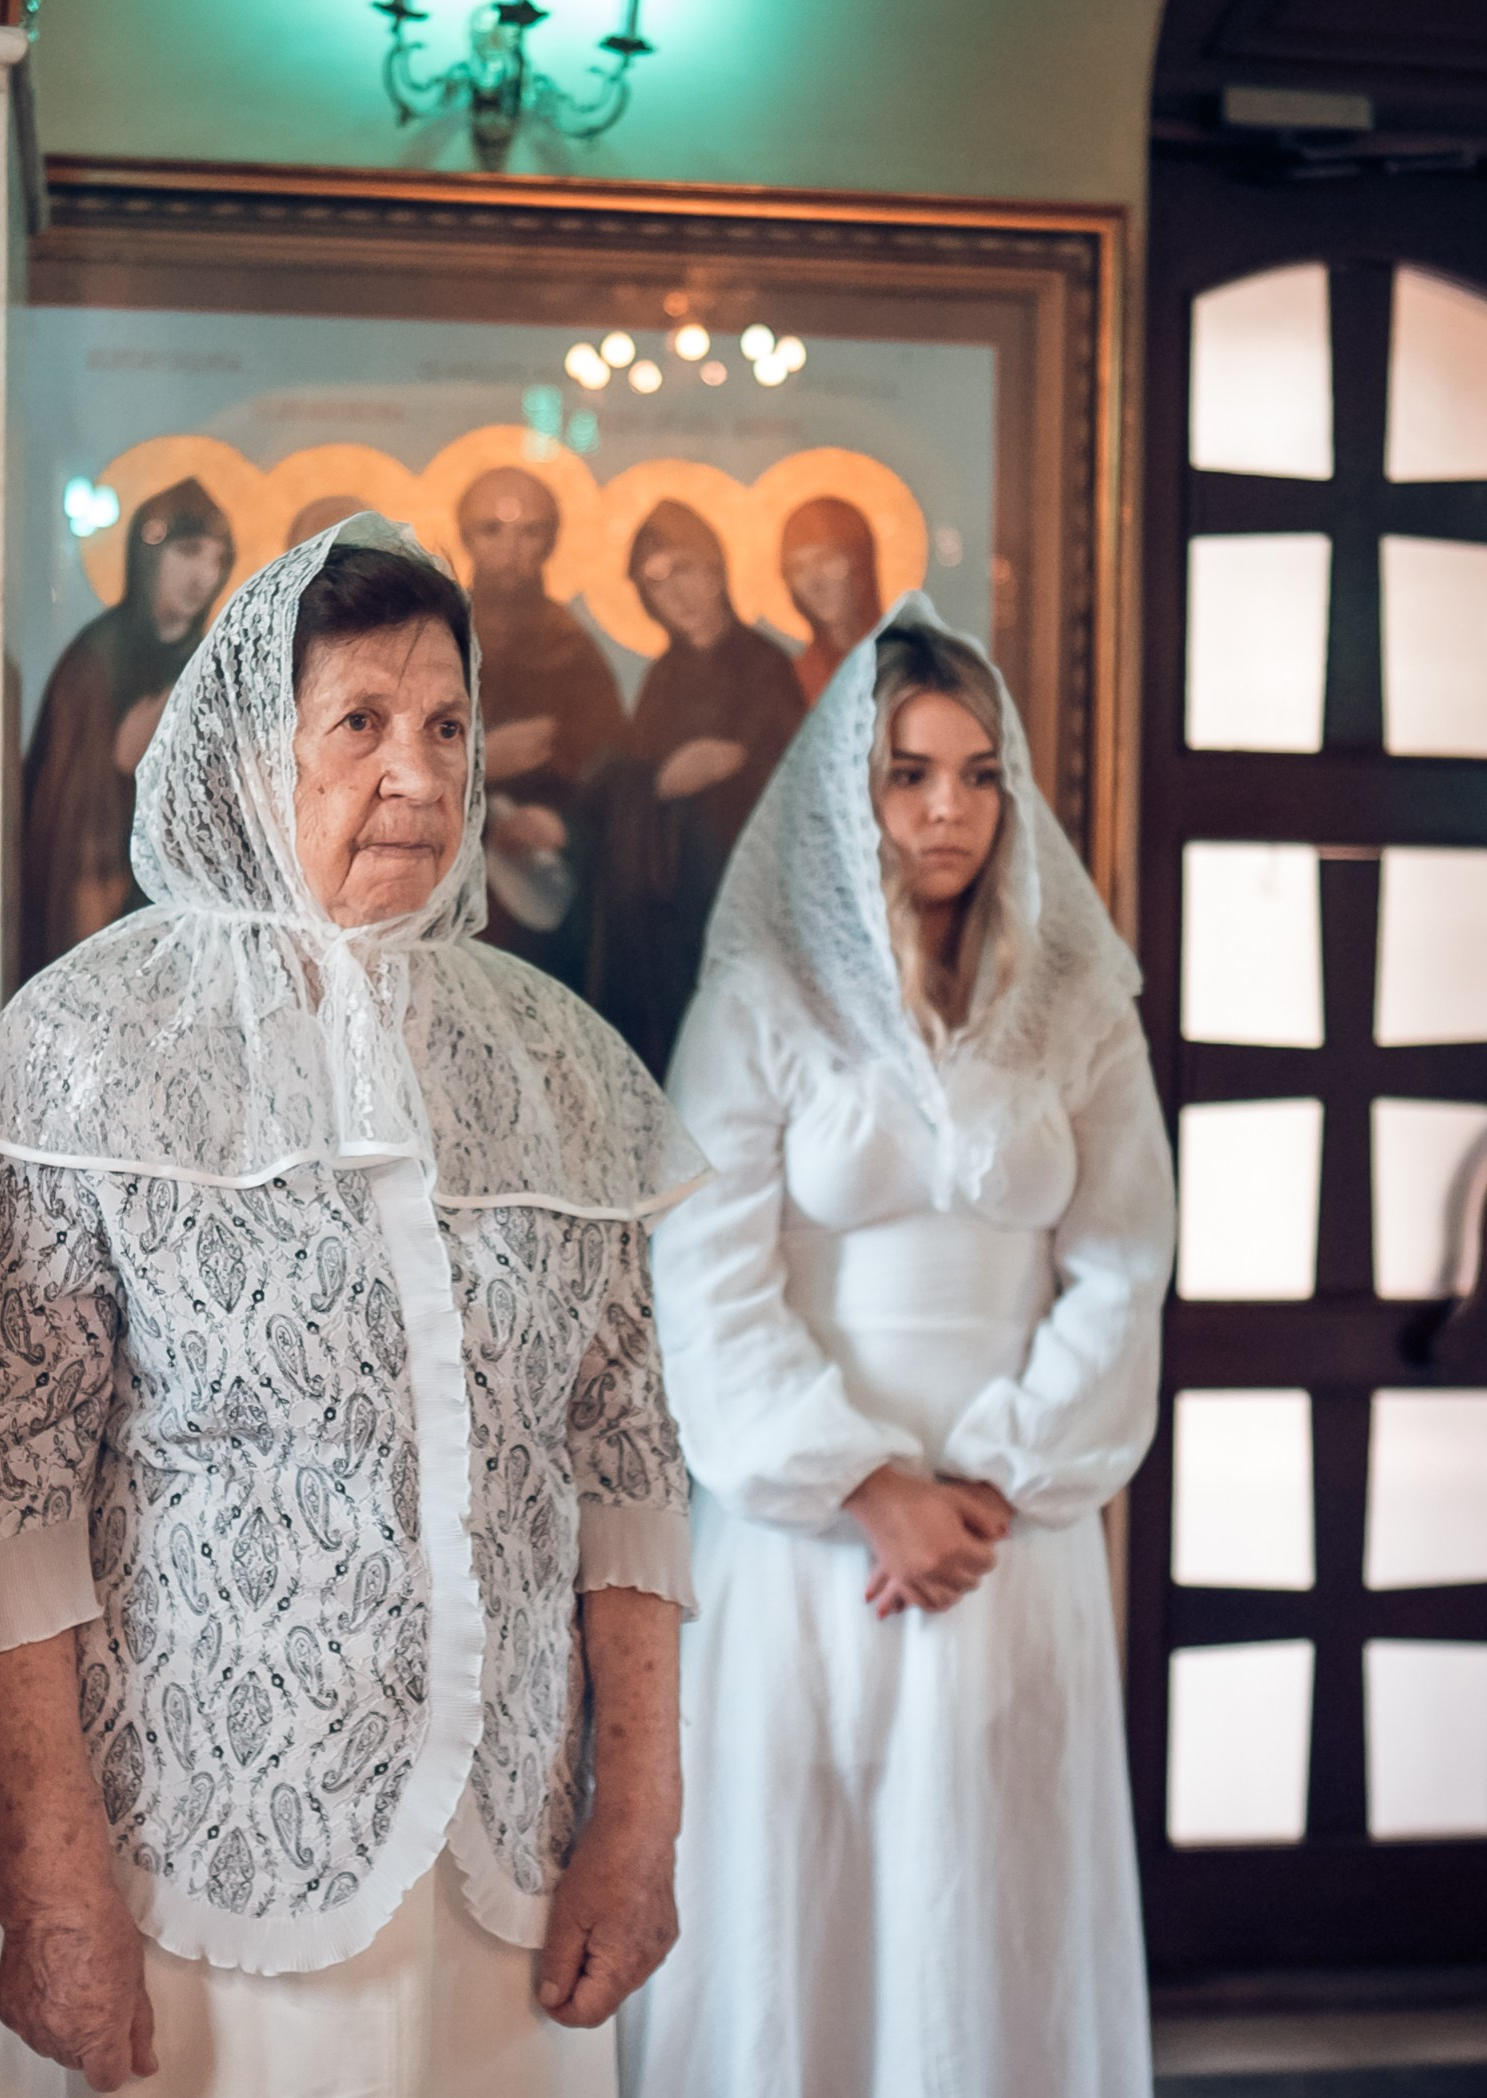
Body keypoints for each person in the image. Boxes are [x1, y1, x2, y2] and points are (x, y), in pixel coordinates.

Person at [0, 518, 711, 2098]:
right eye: (359, 724)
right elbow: (8, 1491)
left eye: (446, 728)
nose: (416, 777)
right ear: (245, 750)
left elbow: (623, 1466)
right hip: (189, 1861)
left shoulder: (556, 1065)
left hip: (497, 1856)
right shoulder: (97, 1042)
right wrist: (49, 1872)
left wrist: (638, 1815)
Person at [617, 596, 1173, 2098]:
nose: (950, 809)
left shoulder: (1080, 1011)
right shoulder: (764, 1000)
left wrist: (987, 1483)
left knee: (994, 1900)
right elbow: (706, 1275)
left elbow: (1125, 1259)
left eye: (980, 773)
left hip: (1013, 1539)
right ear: (851, 795)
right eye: (912, 773)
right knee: (807, 1900)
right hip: (810, 1544)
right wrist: (873, 1487)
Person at [587, 498, 808, 1080]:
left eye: (683, 569)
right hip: (666, 909)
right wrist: (659, 783)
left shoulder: (766, 669)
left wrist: (734, 772)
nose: (674, 593)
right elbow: (636, 782)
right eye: (654, 582)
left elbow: (794, 786)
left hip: (741, 898)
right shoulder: (662, 679)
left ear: (716, 569)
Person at [20, 478, 235, 978]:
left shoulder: (210, 663)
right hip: (97, 891)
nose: (202, 575)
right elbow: (66, 815)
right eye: (188, 552)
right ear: (148, 557)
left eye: (216, 559)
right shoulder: (94, 662)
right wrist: (119, 765)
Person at [455, 465, 627, 986]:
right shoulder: (437, 635)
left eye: (530, 531)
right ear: (466, 537)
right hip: (448, 882)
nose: (511, 547)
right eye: (492, 529)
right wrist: (481, 761)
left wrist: (566, 828)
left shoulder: (573, 650)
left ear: (550, 542)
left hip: (544, 896)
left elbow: (613, 773)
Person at [779, 495, 885, 704]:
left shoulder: (906, 661)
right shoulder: (793, 681)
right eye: (798, 569)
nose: (815, 582)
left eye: (826, 559)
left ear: (860, 562)